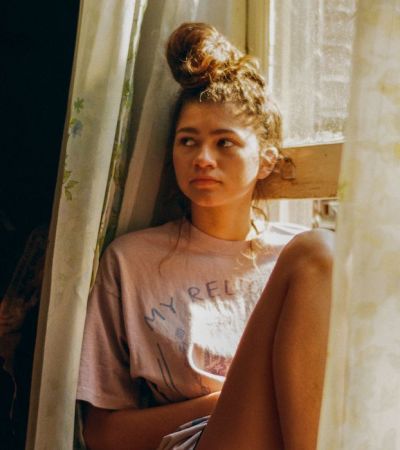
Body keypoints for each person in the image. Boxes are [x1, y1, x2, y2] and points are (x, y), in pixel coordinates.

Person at [76, 22, 334, 450]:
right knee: (317, 249)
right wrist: (234, 400)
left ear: (267, 160)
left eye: (224, 143)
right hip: (200, 443)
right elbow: (101, 435)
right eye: (188, 141)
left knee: (319, 251)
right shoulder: (131, 261)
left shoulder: (298, 267)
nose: (202, 159)